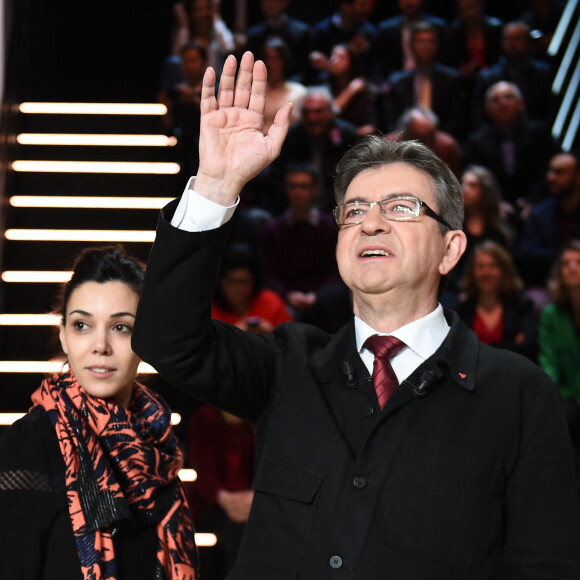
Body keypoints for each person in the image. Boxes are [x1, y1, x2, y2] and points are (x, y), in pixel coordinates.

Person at [133, 52, 580, 578]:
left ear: (451, 249)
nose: (371, 223)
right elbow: (168, 339)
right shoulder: (288, 364)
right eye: (354, 210)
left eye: (401, 208)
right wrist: (216, 184)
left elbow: (545, 564)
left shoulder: (519, 395)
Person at [0, 246, 197, 580]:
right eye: (82, 325)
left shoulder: (158, 444)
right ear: (63, 335)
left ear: (145, 338)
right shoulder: (31, 443)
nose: (100, 345)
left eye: (121, 327)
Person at [263, 163, 343, 326]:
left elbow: (337, 270)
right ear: (286, 190)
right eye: (292, 186)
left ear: (315, 189)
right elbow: (270, 274)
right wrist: (288, 295)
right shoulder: (274, 229)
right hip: (286, 300)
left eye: (303, 186)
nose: (298, 192)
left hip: (323, 298)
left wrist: (318, 296)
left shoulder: (328, 227)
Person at [455, 240, 538, 360]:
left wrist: (480, 347)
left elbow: (528, 349)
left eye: (492, 266)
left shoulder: (522, 307)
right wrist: (511, 344)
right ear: (471, 272)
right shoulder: (461, 312)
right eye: (480, 266)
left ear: (504, 271)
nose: (486, 272)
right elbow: (460, 353)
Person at [538, 240, 580, 479]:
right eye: (565, 263)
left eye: (578, 262)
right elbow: (549, 361)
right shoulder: (552, 314)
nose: (571, 267)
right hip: (567, 396)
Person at [382, 21, 465, 138]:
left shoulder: (451, 80)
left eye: (430, 42)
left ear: (436, 46)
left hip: (438, 137)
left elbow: (456, 120)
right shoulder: (397, 82)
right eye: (420, 42)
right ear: (411, 46)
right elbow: (391, 120)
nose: (425, 46)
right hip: (405, 136)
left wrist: (430, 133)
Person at [212, 242, 293, 333]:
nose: (239, 288)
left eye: (245, 281)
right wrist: (235, 335)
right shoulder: (208, 309)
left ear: (255, 280)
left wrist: (272, 334)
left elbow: (291, 341)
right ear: (219, 281)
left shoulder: (271, 302)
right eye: (232, 281)